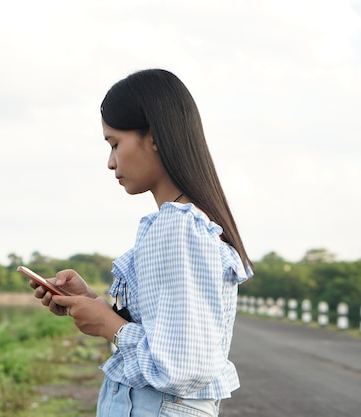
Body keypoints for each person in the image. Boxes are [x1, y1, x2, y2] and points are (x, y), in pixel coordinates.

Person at [31, 69, 253, 417]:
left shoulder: (179, 226)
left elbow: (183, 366)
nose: (110, 162)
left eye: (115, 144)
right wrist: (93, 303)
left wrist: (108, 324)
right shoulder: (182, 224)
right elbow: (164, 335)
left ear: (153, 136)